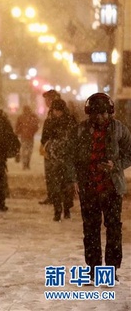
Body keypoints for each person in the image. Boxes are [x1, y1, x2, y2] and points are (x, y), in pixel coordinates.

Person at [67, 93, 131, 283]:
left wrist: (116, 165)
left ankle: (111, 271)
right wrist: (73, 180)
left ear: (110, 112)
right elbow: (70, 156)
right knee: (91, 230)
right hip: (89, 188)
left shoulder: (120, 129)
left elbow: (130, 153)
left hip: (112, 188)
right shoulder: (79, 131)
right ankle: (94, 270)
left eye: (104, 113)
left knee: (113, 229)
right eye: (96, 114)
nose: (100, 118)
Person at [42, 99, 77, 221]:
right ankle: (58, 211)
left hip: (65, 158)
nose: (56, 113)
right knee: (58, 186)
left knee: (65, 185)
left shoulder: (66, 121)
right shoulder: (68, 120)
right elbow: (44, 138)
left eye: (58, 110)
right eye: (55, 110)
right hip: (57, 157)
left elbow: (76, 139)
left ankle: (65, 209)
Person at [39, 89, 62, 205]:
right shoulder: (51, 113)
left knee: (55, 174)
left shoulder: (59, 113)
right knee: (50, 174)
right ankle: (52, 196)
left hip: (56, 148)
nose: (46, 102)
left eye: (47, 99)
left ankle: (56, 197)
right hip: (49, 147)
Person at [15, 105, 40, 170]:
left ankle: (25, 164)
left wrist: (18, 132)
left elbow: (17, 126)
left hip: (24, 136)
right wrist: (33, 132)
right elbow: (36, 125)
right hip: (30, 137)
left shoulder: (21, 117)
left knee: (24, 150)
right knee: (29, 151)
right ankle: (27, 163)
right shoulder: (32, 117)